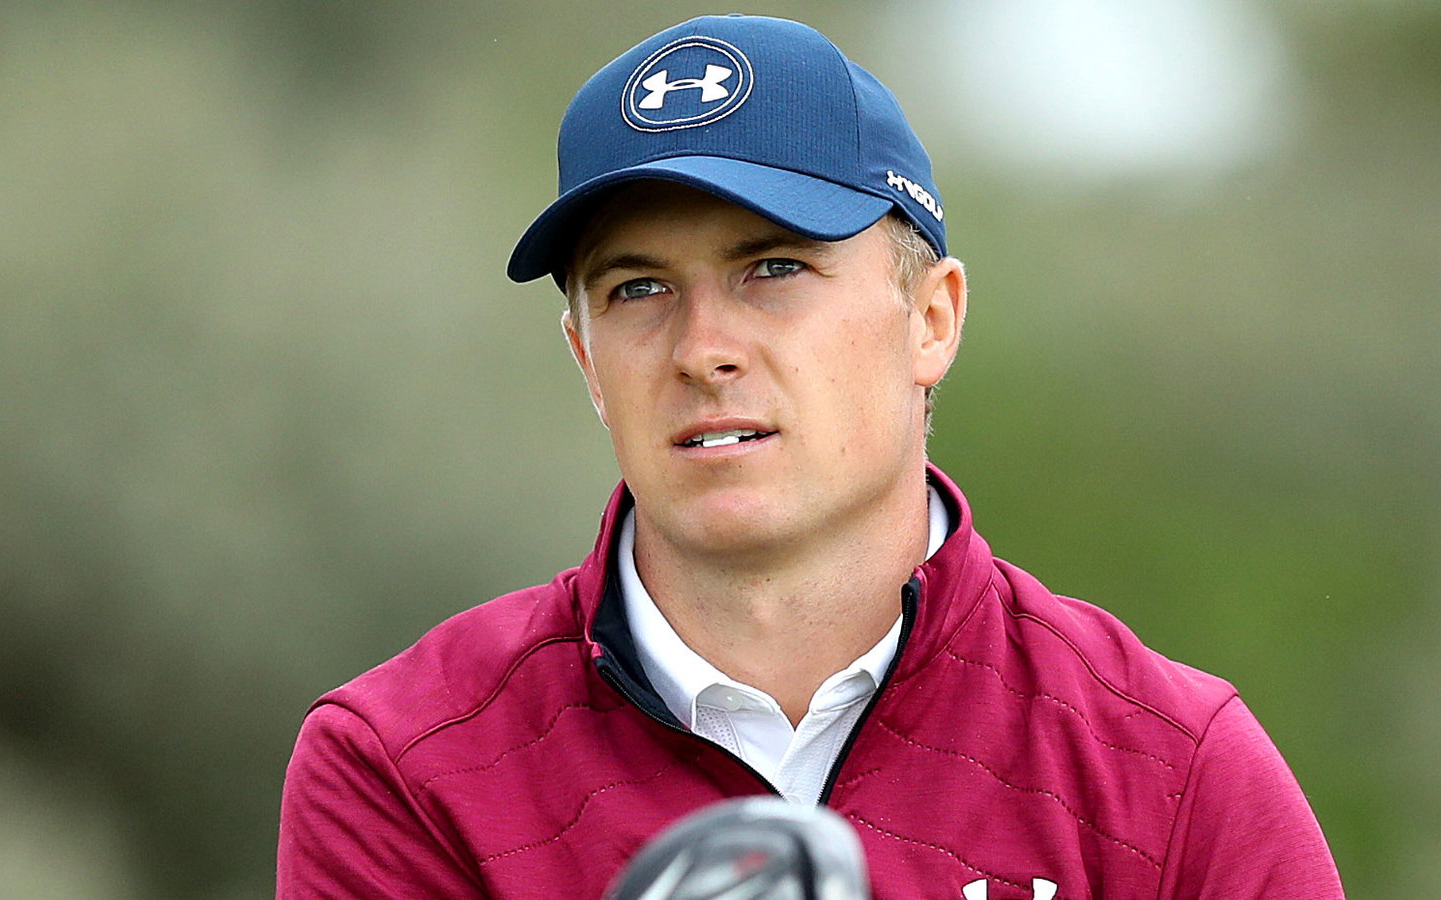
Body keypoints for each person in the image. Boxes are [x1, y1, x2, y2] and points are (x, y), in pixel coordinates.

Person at [277, 14, 1343, 899]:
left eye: (774, 268)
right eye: (638, 288)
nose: (702, 349)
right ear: (587, 360)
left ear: (931, 319)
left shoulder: (1169, 766)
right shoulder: (404, 766)